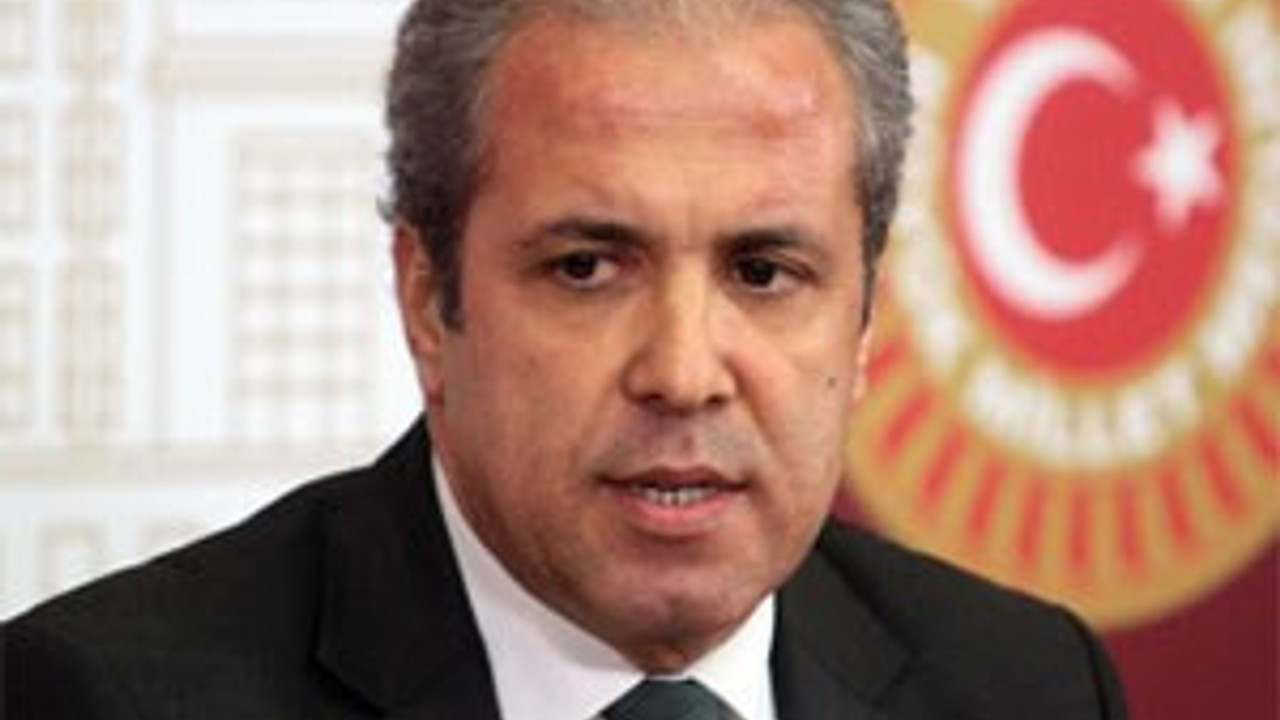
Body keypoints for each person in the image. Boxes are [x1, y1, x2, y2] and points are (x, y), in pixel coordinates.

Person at [3, 0, 1129, 718]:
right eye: (588, 268)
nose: (683, 372)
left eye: (762, 271)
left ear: (866, 315)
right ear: (427, 299)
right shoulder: (105, 699)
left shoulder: (1025, 685)